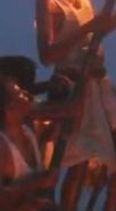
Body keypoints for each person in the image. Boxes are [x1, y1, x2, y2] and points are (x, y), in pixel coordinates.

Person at [28, 0, 116, 211]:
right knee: (78, 164)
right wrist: (88, 27)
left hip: (99, 85)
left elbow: (98, 31)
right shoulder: (47, 1)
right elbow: (48, 55)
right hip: (74, 89)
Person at [0, 56, 63, 211]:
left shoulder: (29, 131)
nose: (27, 94)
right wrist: (36, 182)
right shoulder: (3, 149)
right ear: (9, 108)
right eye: (19, 92)